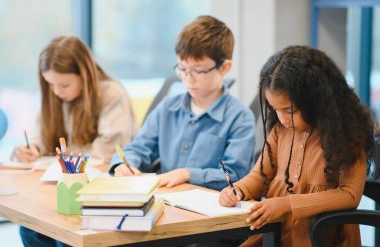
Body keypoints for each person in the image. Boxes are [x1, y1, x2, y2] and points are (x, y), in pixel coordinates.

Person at [219, 45, 374, 246]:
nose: (282, 119)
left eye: (289, 110)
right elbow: (260, 176)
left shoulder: (347, 135)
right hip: (274, 236)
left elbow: (349, 195)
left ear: (316, 99)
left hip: (321, 240)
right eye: (275, 109)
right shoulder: (280, 131)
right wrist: (238, 190)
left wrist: (288, 204)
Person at [110, 15, 255, 191]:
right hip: (166, 201)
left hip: (210, 210)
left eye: (198, 70)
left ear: (224, 68)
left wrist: (187, 174)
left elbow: (234, 175)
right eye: (182, 69)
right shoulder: (167, 108)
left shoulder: (239, 117)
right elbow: (139, 148)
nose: (188, 79)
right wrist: (124, 164)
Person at [16, 36, 136, 247]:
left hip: (100, 190)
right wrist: (33, 149)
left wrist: (66, 156)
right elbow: (41, 136)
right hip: (59, 189)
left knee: (66, 237)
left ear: (86, 75)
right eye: (50, 84)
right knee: (29, 228)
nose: (56, 91)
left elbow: (105, 153)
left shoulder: (111, 94)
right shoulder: (55, 95)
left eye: (64, 84)